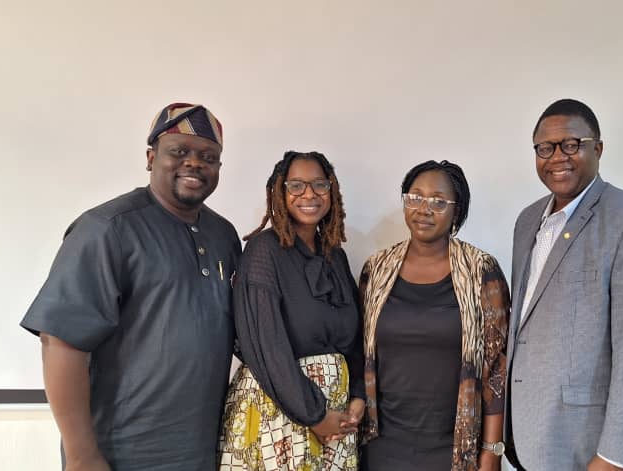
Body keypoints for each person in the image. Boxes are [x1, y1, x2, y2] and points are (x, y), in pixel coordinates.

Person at [20, 103, 240, 470]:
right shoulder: (107, 229)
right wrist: (82, 456)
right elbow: (61, 343)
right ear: (151, 158)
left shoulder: (223, 235)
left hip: (202, 449)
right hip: (123, 452)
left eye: (209, 157)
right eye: (179, 151)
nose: (194, 163)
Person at [505, 99, 623, 471]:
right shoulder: (527, 220)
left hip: (589, 451)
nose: (557, 157)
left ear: (598, 148)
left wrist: (613, 459)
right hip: (530, 442)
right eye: (545, 148)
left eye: (571, 145)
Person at [359, 160, 510, 471]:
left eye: (439, 202)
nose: (424, 209)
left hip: (455, 447)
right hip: (383, 445)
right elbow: (360, 351)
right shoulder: (376, 269)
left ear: (457, 211)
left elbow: (497, 366)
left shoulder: (481, 269)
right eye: (415, 197)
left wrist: (492, 451)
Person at [218, 151, 365, 471]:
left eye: (319, 185)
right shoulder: (263, 252)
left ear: (332, 191)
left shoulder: (335, 256)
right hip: (279, 411)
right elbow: (266, 347)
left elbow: (355, 337)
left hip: (335, 415)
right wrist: (314, 415)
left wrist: (358, 396)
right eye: (296, 185)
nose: (309, 194)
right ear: (279, 193)